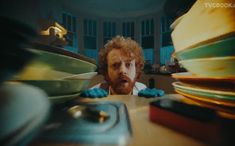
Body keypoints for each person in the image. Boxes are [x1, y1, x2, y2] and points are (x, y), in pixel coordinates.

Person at [81, 35, 164, 98]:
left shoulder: (142, 91)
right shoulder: (93, 95)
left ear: (137, 70)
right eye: (115, 65)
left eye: (128, 64)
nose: (122, 70)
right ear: (106, 72)